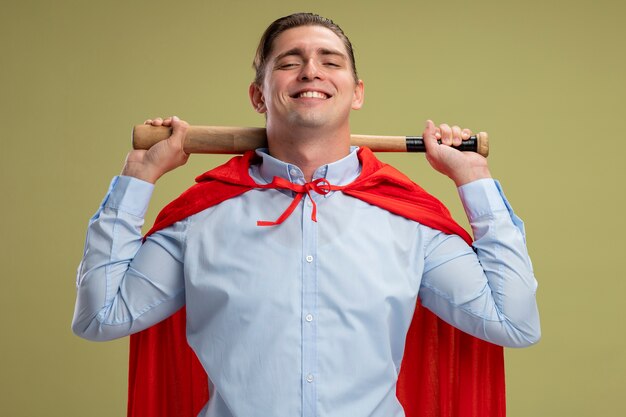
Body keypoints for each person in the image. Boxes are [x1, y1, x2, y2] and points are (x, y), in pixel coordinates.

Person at [72, 12, 540, 417]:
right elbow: (101, 316)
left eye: (330, 62)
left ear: (355, 92)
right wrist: (137, 178)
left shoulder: (410, 222)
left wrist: (474, 179)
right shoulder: (200, 220)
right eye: (290, 62)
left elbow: (513, 322)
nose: (311, 72)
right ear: (258, 96)